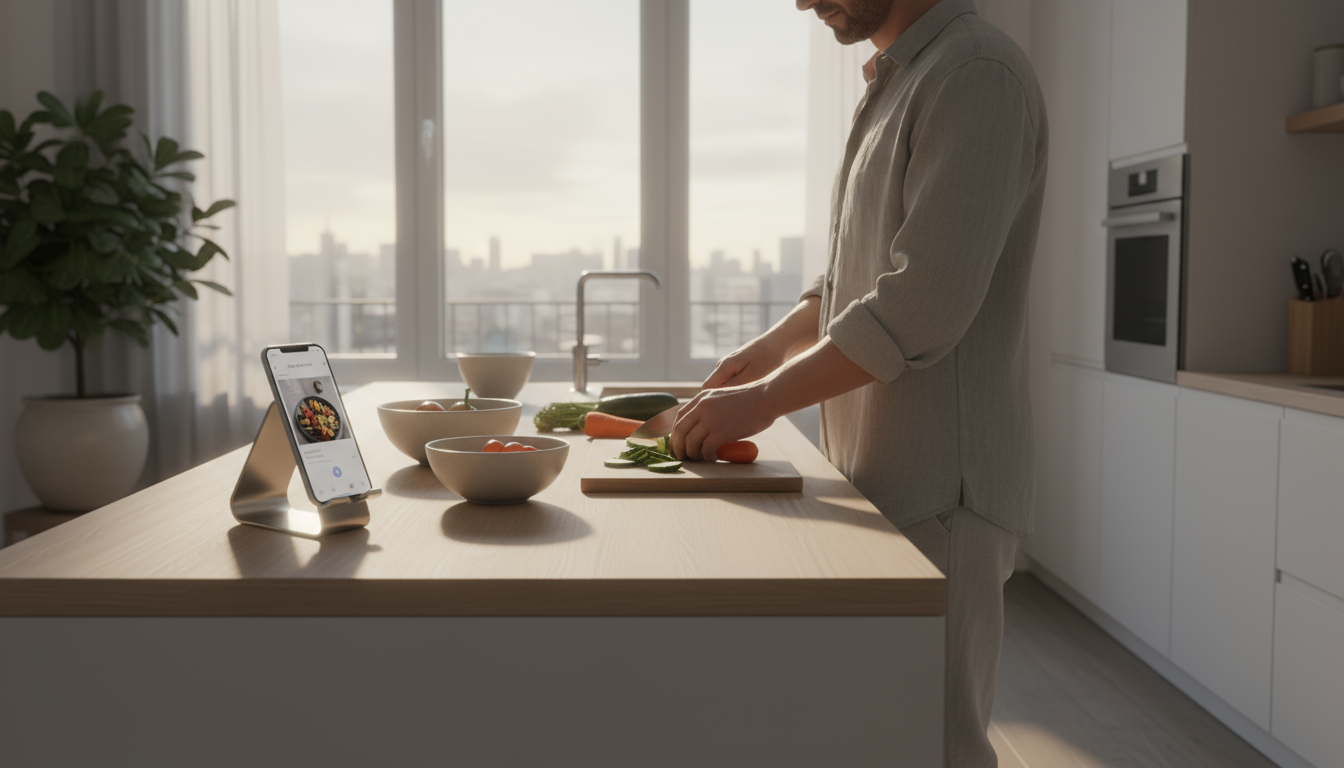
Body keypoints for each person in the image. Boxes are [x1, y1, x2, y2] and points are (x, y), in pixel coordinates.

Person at [670, 0, 1047, 765]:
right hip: (886, 472)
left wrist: (764, 401)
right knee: (880, 734)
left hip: (943, 489)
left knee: (934, 744)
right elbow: (857, 272)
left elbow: (924, 301)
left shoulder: (975, 74)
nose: (802, 1)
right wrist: (770, 349)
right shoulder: (903, 79)